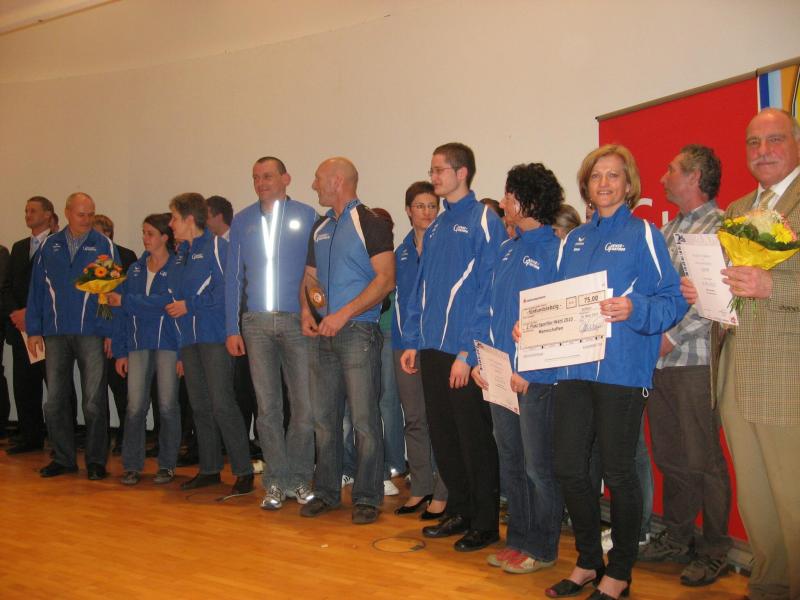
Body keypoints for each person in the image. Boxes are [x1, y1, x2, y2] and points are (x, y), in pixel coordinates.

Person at [546, 145, 686, 600]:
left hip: (622, 370)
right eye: (596, 176)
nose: (604, 183)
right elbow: (558, 301)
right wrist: (532, 327)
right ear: (586, 186)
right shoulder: (574, 240)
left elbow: (672, 299)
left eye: (613, 176)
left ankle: (620, 571)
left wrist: (634, 308)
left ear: (629, 186)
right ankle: (589, 560)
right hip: (574, 368)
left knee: (619, 472)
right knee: (568, 467)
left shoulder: (644, 233)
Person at [683, 108, 800, 600]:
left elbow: (768, 285)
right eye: (754, 143)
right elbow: (731, 291)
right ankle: (769, 584)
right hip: (735, 371)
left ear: (796, 142)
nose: (763, 151)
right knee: (755, 497)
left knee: (794, 497)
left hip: (788, 375)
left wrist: (775, 285)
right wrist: (705, 291)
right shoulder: (735, 209)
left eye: (775, 140)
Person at [400, 142, 505, 552]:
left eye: (439, 169)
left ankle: (485, 523)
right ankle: (459, 511)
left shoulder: (484, 220)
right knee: (444, 437)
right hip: (431, 348)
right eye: (432, 170)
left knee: (473, 439)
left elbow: (489, 290)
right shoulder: (437, 226)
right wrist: (413, 340)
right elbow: (421, 289)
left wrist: (468, 352)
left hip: (464, 352)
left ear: (462, 173)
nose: (433, 177)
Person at [638, 145, 732, 587]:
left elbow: (718, 300)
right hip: (659, 363)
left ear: (694, 177)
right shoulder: (667, 230)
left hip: (695, 362)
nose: (663, 177)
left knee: (703, 459)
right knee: (671, 456)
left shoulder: (723, 228)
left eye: (671, 169)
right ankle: (677, 538)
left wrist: (671, 337)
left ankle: (715, 550)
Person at [472, 163, 564, 574]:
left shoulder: (555, 251)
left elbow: (557, 319)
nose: (503, 202)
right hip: (498, 374)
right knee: (510, 461)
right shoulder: (506, 250)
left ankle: (542, 548)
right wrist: (479, 361)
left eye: (509, 196)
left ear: (527, 201)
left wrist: (533, 372)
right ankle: (519, 540)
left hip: (534, 380)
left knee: (537, 467)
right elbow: (486, 309)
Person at [300, 157, 395, 525]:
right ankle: (326, 492)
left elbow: (385, 280)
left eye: (318, 178)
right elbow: (310, 277)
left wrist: (343, 314)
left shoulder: (370, 223)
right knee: (324, 421)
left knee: (364, 421)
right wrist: (307, 312)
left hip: (358, 334)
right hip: (324, 335)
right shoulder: (320, 227)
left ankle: (367, 497)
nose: (314, 185)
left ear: (337, 181)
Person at [225, 156, 318, 510]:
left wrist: (315, 313)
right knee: (267, 409)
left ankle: (299, 478)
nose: (261, 183)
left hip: (297, 322)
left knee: (304, 407)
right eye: (256, 177)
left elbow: (316, 273)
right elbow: (233, 278)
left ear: (285, 178)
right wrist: (232, 327)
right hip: (256, 324)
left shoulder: (307, 216)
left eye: (267, 176)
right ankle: (276, 481)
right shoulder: (242, 220)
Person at [26, 192, 119, 480]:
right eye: (81, 214)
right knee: (55, 400)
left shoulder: (102, 245)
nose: (87, 219)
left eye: (91, 214)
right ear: (67, 213)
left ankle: (96, 461)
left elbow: (108, 293)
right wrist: (34, 329)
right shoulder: (50, 245)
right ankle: (64, 458)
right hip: (55, 333)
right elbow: (37, 290)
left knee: (93, 401)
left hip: (91, 332)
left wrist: (109, 332)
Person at [166, 193, 254, 496]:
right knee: (200, 406)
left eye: (174, 217)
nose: (170, 224)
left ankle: (243, 471)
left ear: (190, 219)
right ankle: (209, 468)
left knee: (222, 403)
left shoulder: (218, 247)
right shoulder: (181, 254)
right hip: (189, 340)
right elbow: (175, 300)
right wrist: (180, 348)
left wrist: (191, 305)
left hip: (215, 337)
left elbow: (229, 291)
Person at [107, 213, 181, 485]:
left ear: (164, 237)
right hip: (138, 344)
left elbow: (167, 303)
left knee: (167, 405)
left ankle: (167, 464)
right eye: (143, 232)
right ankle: (132, 464)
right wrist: (120, 351)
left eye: (150, 233)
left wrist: (128, 301)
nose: (144, 238)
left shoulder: (177, 267)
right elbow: (120, 314)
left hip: (168, 344)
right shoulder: (135, 269)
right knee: (135, 406)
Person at [392, 181, 447, 519]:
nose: (427, 212)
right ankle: (420, 487)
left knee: (440, 420)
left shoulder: (446, 246)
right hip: (404, 345)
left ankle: (443, 492)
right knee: (414, 419)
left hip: (437, 345)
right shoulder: (401, 252)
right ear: (408, 210)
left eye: (432, 206)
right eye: (420, 206)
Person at [4, 197, 53, 454]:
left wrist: (32, 314)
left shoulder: (57, 244)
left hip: (46, 327)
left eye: (33, 210)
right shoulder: (19, 246)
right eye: (26, 210)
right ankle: (30, 436)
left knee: (56, 385)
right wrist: (17, 313)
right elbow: (8, 285)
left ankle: (60, 439)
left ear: (48, 214)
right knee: (24, 384)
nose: (28, 214)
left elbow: (56, 288)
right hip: (21, 327)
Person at [92, 214, 138, 454]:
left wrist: (111, 333)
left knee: (120, 387)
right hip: (91, 331)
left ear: (109, 234)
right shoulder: (89, 259)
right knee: (96, 389)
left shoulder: (123, 257)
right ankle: (100, 436)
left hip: (117, 331)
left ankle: (125, 435)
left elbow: (113, 299)